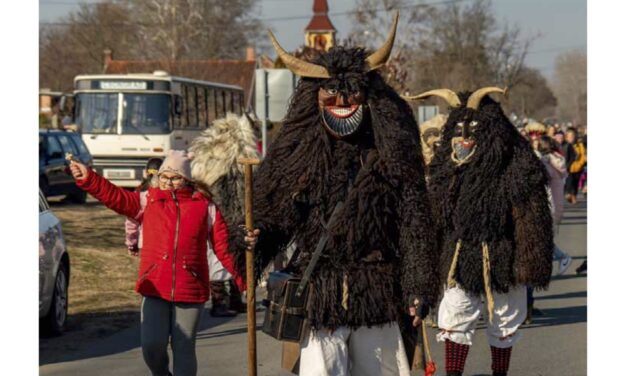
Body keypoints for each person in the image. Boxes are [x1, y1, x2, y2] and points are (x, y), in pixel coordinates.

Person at [239, 14, 440, 376]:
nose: (342, 100)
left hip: (378, 292)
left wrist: (419, 286)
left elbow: (414, 224)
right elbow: (280, 219)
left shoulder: (393, 159)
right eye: (330, 93)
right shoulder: (299, 162)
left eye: (351, 92)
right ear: (312, 100)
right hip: (320, 295)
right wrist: (257, 238)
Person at [408, 87, 553, 376]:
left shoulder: (515, 165)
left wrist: (527, 265)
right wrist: (423, 280)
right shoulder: (446, 168)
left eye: (472, 129)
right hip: (460, 257)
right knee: (456, 316)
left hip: (504, 258)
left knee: (504, 320)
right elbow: (434, 221)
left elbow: (532, 219)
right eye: (458, 129)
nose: (463, 138)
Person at [69, 150, 245, 376]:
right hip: (155, 285)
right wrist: (89, 177)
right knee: (152, 347)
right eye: (164, 177)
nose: (168, 182)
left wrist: (243, 279)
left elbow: (224, 246)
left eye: (175, 178)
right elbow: (113, 196)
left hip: (190, 288)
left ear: (187, 180)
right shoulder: (147, 200)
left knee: (184, 346)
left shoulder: (205, 206)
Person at [525, 136, 573, 324]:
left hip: (543, 213)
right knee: (538, 250)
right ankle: (528, 305)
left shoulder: (544, 164)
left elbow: (541, 190)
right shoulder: (556, 161)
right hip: (553, 212)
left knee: (532, 254)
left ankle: (562, 256)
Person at [125, 159, 163, 256]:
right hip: (167, 243)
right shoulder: (169, 193)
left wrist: (132, 243)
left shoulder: (140, 193)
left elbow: (131, 222)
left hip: (146, 242)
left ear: (145, 173)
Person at [564, 127, 587, 204]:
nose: (571, 138)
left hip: (578, 167)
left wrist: (580, 164)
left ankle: (574, 197)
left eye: (572, 136)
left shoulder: (579, 145)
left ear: (575, 136)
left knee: (575, 183)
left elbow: (583, 155)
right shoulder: (566, 145)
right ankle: (568, 194)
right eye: (569, 137)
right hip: (569, 168)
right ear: (566, 137)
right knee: (569, 182)